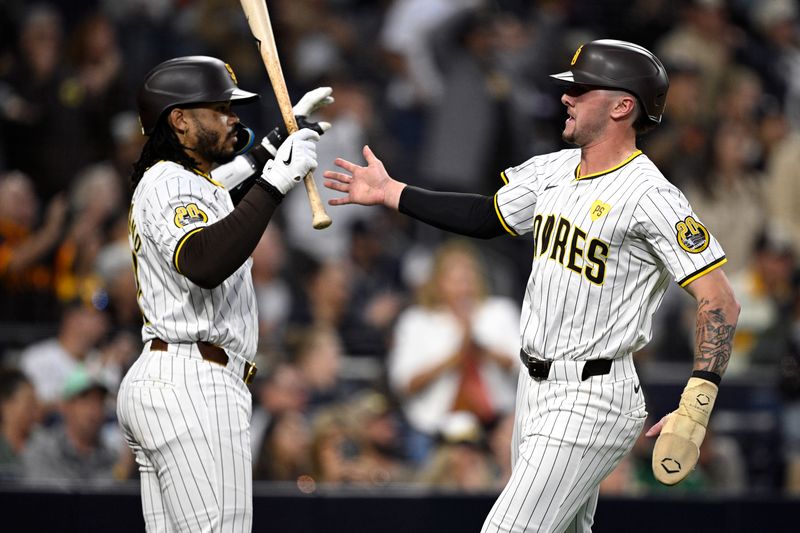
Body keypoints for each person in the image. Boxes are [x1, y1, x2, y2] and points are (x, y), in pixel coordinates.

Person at [324, 39, 740, 532]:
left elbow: (720, 299)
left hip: (594, 394)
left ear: (623, 106)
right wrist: (393, 193)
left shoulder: (651, 195)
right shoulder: (554, 169)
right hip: (533, 389)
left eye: (581, 89)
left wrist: (696, 405)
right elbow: (486, 216)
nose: (566, 97)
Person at [115, 55, 331, 532]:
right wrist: (277, 182)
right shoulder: (169, 180)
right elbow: (204, 262)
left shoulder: (188, 181)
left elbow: (223, 188)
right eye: (220, 109)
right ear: (181, 121)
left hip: (175, 375)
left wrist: (275, 144)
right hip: (193, 380)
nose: (234, 117)